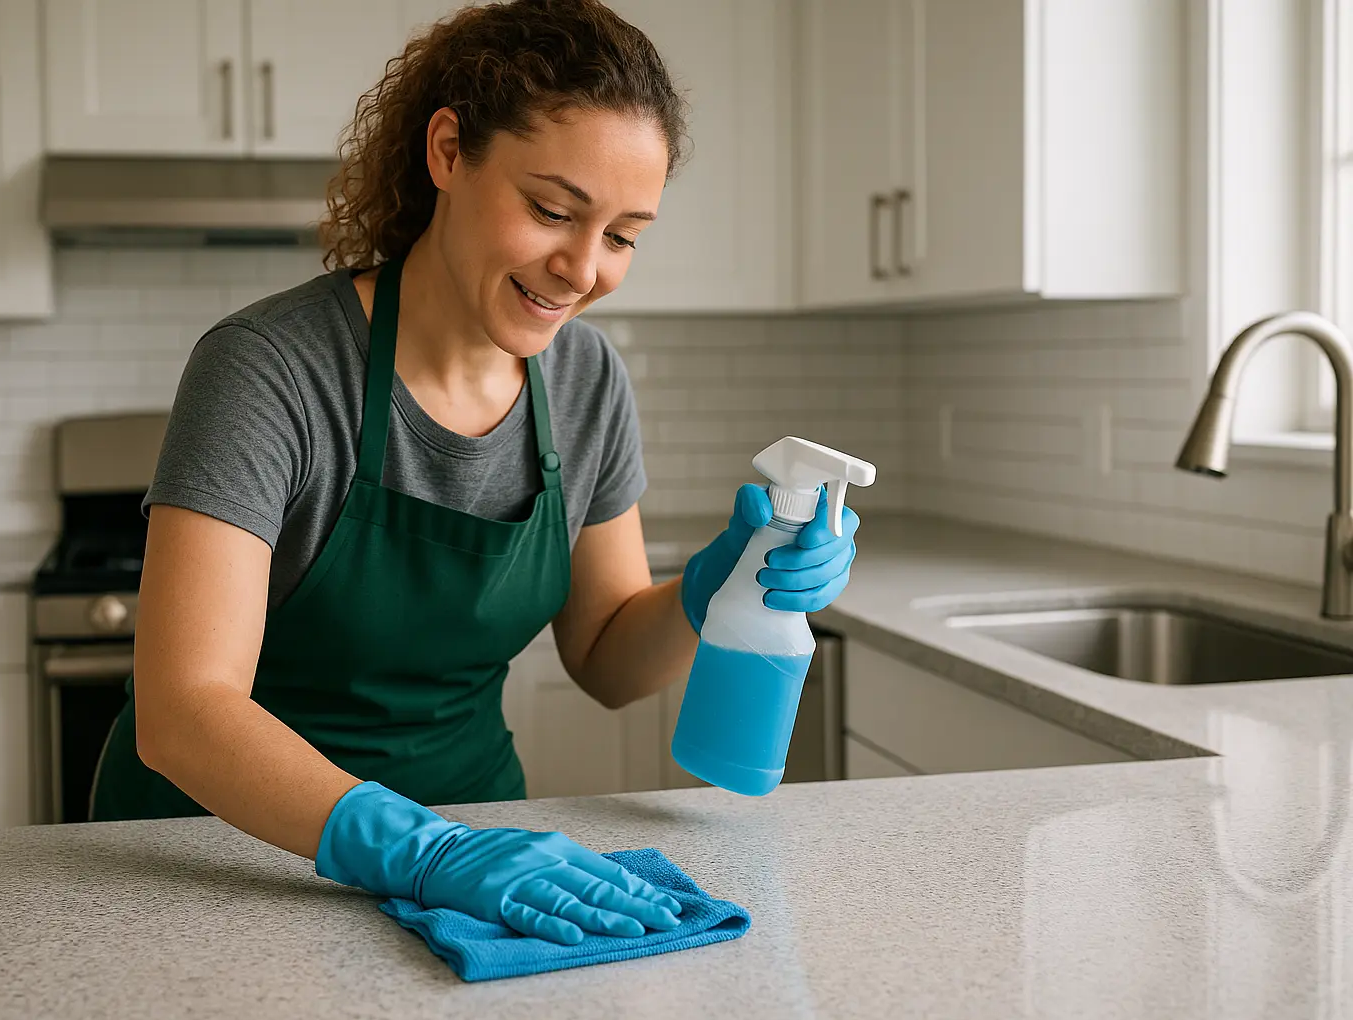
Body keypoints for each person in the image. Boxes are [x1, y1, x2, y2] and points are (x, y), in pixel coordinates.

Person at [89, 0, 860, 946]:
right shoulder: (270, 368)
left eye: (622, 235)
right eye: (551, 210)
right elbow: (185, 711)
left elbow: (611, 659)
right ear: (449, 151)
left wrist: (721, 581)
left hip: (484, 863)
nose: (582, 269)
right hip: (226, 864)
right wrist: (423, 850)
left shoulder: (584, 380)